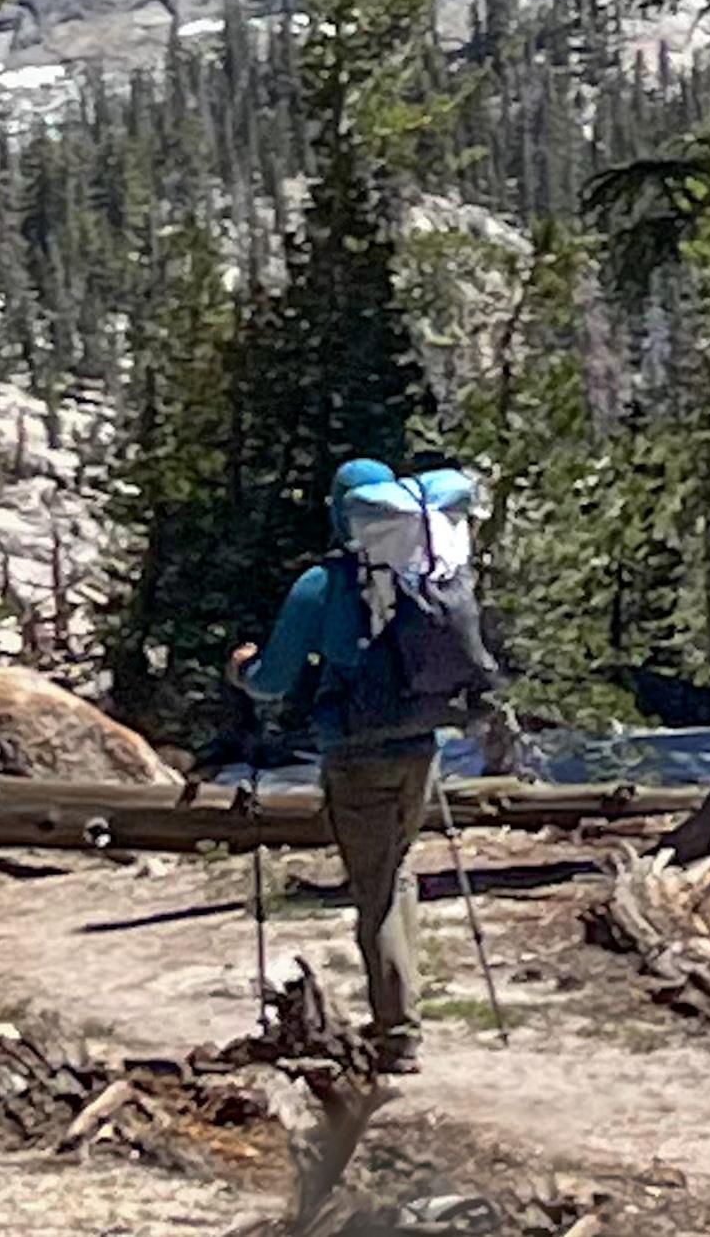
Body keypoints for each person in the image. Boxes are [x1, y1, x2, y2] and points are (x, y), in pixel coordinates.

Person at [229, 457, 437, 1075]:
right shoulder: (419, 573)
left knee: (373, 890)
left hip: (355, 751)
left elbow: (273, 681)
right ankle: (403, 1013)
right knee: (396, 872)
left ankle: (397, 1034)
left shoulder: (322, 584)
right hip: (420, 746)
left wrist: (240, 670)